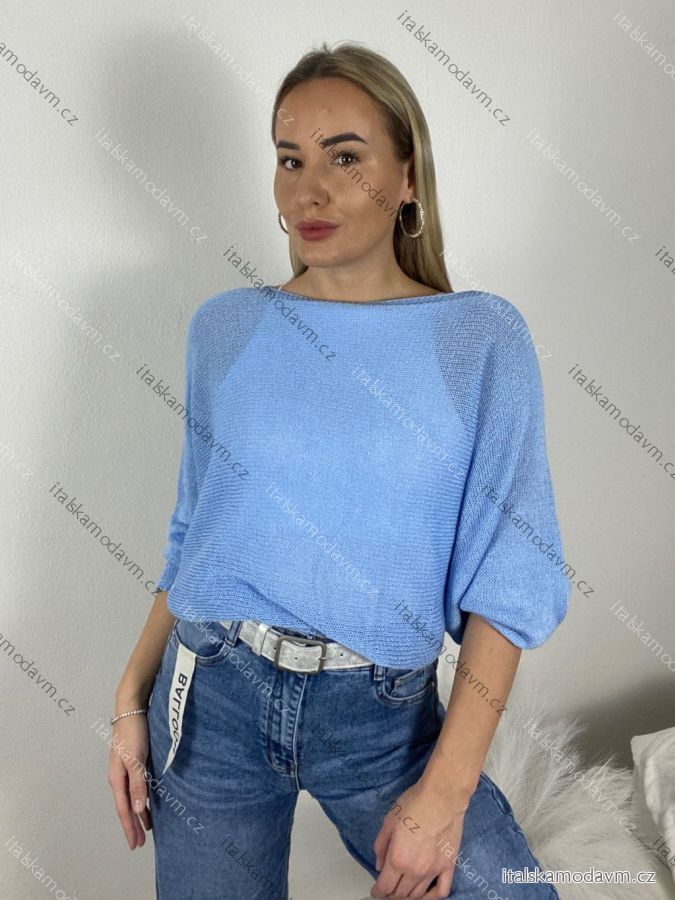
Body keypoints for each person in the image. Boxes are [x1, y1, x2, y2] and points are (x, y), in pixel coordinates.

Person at [108, 39, 568, 900]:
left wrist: (446, 793)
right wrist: (131, 698)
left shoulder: (478, 339)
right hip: (210, 698)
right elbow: (194, 534)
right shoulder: (225, 329)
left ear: (407, 178)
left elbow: (508, 585)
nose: (306, 191)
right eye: (290, 160)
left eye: (344, 158)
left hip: (379, 722)